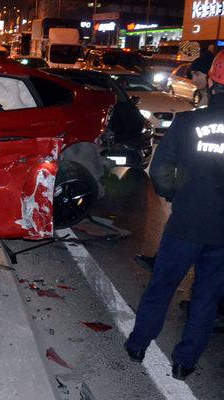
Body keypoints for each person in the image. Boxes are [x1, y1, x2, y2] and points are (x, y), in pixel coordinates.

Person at [125, 51, 224, 381]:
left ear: (211, 80)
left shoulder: (188, 122)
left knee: (162, 285)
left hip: (186, 223)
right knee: (207, 297)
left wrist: (177, 194)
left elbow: (162, 172)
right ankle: (186, 362)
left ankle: (139, 344)